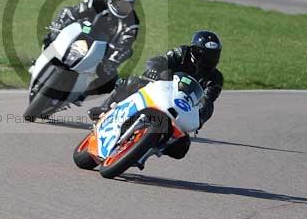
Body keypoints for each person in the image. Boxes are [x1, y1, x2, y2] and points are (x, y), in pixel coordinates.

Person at [88, 30, 224, 160]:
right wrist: (154, 69)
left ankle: (152, 146)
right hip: (161, 89)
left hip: (181, 107)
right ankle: (104, 109)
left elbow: (208, 99)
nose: (210, 59)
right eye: (205, 55)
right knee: (131, 82)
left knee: (182, 147)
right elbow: (160, 60)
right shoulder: (183, 53)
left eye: (214, 55)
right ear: (195, 51)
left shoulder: (216, 78)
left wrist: (198, 119)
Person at [42, 0, 139, 95]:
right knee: (51, 36)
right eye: (120, 4)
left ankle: (81, 94)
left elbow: (126, 47)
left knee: (111, 82)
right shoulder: (97, 1)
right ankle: (42, 60)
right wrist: (58, 26)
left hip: (101, 52)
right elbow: (70, 12)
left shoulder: (132, 22)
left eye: (127, 5)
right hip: (82, 34)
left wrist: (112, 62)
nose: (123, 8)